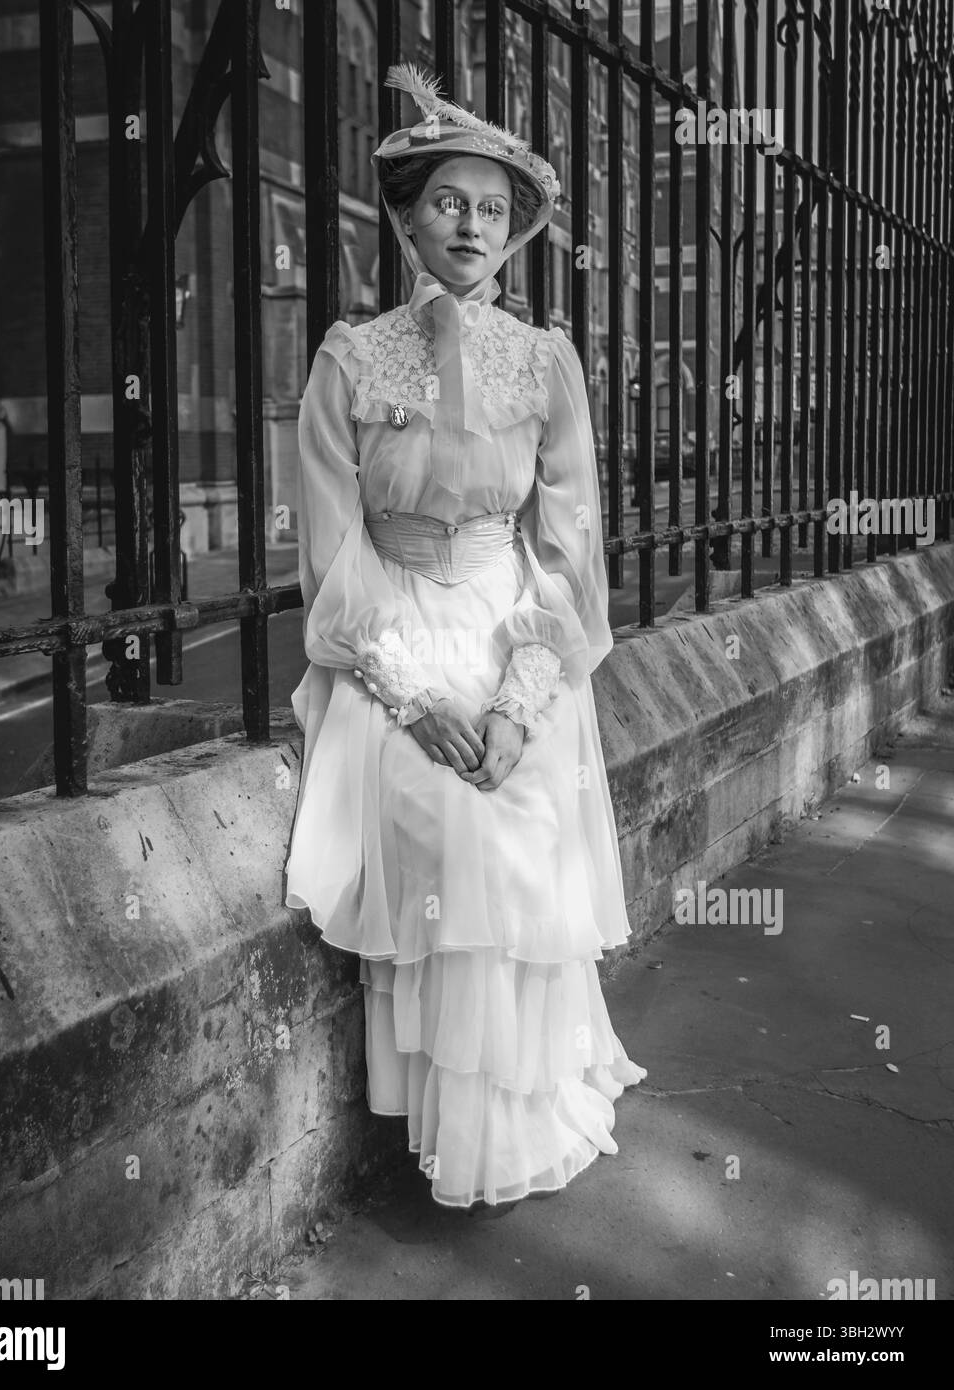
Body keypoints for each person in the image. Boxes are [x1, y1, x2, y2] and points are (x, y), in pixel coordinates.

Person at [285, 64, 646, 1210]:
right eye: (447, 201)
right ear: (404, 215)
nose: (469, 226)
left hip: (508, 632)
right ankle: (446, 1127)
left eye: (491, 209)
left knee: (526, 816)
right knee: (439, 821)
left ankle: (526, 1105)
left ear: (515, 232)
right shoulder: (348, 358)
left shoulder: (544, 363)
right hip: (390, 638)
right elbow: (332, 555)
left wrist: (516, 691)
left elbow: (568, 540)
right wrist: (413, 691)